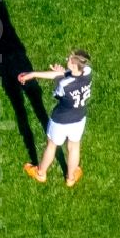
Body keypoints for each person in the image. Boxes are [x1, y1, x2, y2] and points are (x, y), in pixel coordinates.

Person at [19, 50, 92, 187]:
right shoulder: (88, 72)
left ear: (75, 66)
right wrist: (35, 74)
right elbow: (68, 77)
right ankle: (70, 178)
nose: (67, 59)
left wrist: (60, 76)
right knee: (74, 146)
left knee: (52, 145)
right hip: (79, 118)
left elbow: (58, 94)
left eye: (70, 59)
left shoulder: (65, 84)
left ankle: (40, 173)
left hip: (61, 120)